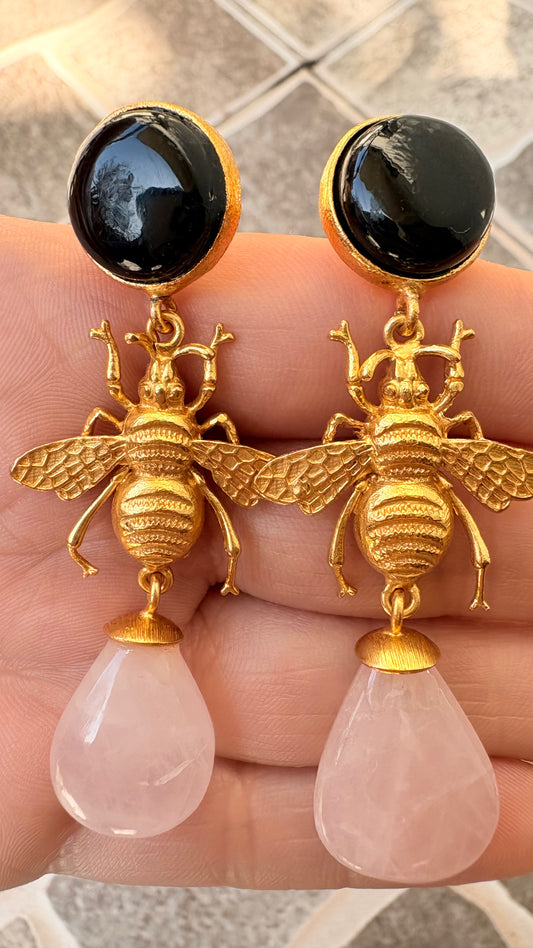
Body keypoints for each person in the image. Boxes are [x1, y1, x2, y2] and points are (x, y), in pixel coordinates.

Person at [1, 215, 532, 890]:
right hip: (367, 500)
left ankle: (385, 577)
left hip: (326, 499)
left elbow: (334, 421)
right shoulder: (410, 420)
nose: (405, 387)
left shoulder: (358, 423)